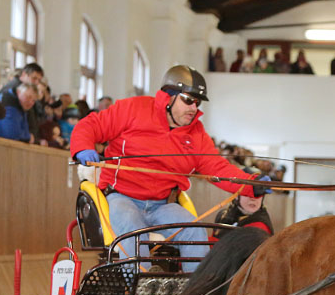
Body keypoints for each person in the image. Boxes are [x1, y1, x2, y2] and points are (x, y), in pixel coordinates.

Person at [69, 65, 266, 271]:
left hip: (162, 206)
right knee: (133, 230)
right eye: (188, 100)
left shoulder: (196, 134)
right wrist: (82, 148)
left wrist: (252, 185)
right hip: (122, 198)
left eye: (197, 102)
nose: (193, 108)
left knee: (195, 232)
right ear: (169, 96)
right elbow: (90, 125)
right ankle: (141, 293)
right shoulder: (133, 109)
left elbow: (218, 168)